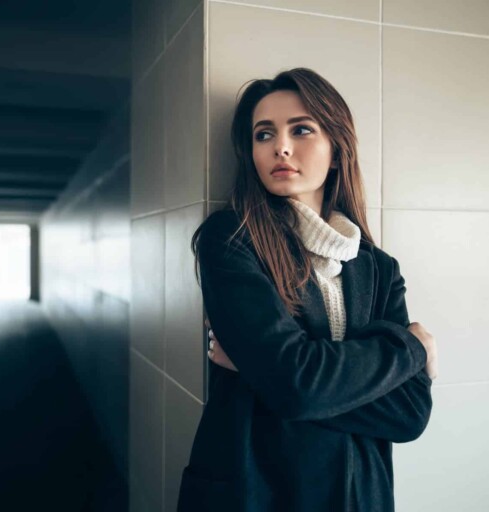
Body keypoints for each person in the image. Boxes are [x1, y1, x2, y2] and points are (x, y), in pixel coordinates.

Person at [177, 68, 439, 512]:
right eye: (264, 134)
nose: (280, 146)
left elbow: (410, 413)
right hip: (257, 490)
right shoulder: (232, 240)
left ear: (337, 151)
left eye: (301, 130)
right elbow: (295, 385)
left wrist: (275, 373)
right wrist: (412, 349)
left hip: (358, 494)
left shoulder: (379, 268)